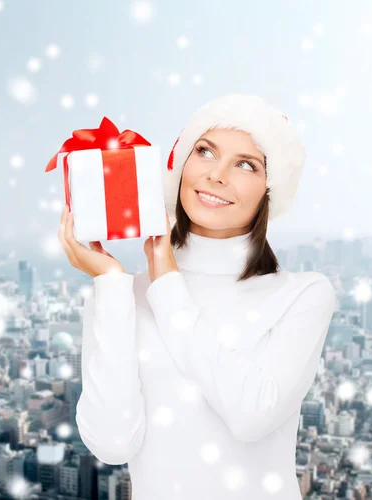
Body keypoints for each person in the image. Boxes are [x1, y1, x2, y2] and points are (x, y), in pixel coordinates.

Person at [58, 94, 337, 499]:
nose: (217, 175)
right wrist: (112, 283)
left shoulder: (302, 295)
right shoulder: (121, 295)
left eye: (246, 164)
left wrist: (166, 281)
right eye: (205, 151)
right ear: (182, 165)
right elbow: (113, 443)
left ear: (269, 191)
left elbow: (251, 416)